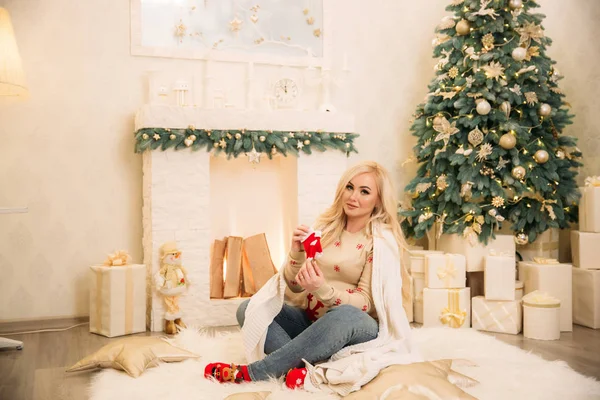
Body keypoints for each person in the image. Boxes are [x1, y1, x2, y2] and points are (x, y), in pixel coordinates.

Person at [204, 161, 419, 394]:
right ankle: (303, 370)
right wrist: (296, 252)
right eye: (350, 187)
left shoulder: (379, 241)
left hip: (357, 327)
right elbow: (294, 288)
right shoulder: (325, 229)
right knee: (250, 307)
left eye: (364, 191)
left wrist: (322, 289)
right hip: (312, 322)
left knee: (345, 315)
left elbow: (366, 302)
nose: (353, 196)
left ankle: (254, 372)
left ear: (377, 200)